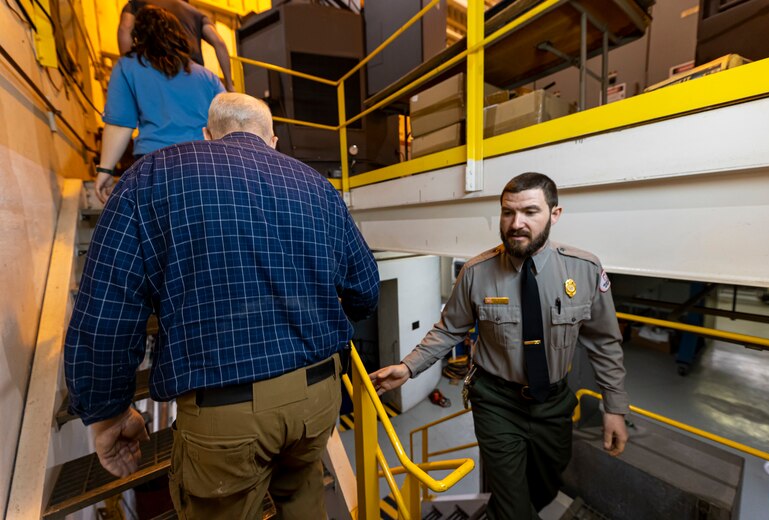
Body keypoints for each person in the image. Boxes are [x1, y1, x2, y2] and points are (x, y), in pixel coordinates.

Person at [65, 93, 379, 519]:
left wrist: (107, 414)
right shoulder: (317, 186)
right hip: (317, 398)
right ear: (273, 140)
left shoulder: (153, 177)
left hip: (225, 414)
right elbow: (365, 291)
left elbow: (106, 313)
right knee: (305, 499)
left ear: (209, 135)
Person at [371, 172, 629, 520]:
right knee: (511, 503)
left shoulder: (583, 270)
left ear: (555, 214)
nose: (516, 224)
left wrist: (614, 406)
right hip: (497, 402)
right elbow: (449, 330)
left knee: (546, 485)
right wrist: (408, 367)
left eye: (529, 212)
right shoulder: (477, 272)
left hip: (554, 403)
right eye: (508, 212)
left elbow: (604, 340)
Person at [96, 5, 225, 203]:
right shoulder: (207, 76)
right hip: (204, 165)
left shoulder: (127, 66)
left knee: (157, 232)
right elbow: (227, 124)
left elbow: (120, 123)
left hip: (154, 165)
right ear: (180, 35)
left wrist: (105, 169)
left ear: (138, 35)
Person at [118, 0, 234, 92]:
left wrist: (128, 67)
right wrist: (229, 85)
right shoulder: (196, 13)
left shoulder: (137, 3)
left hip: (156, 67)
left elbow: (125, 28)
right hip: (192, 73)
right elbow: (219, 42)